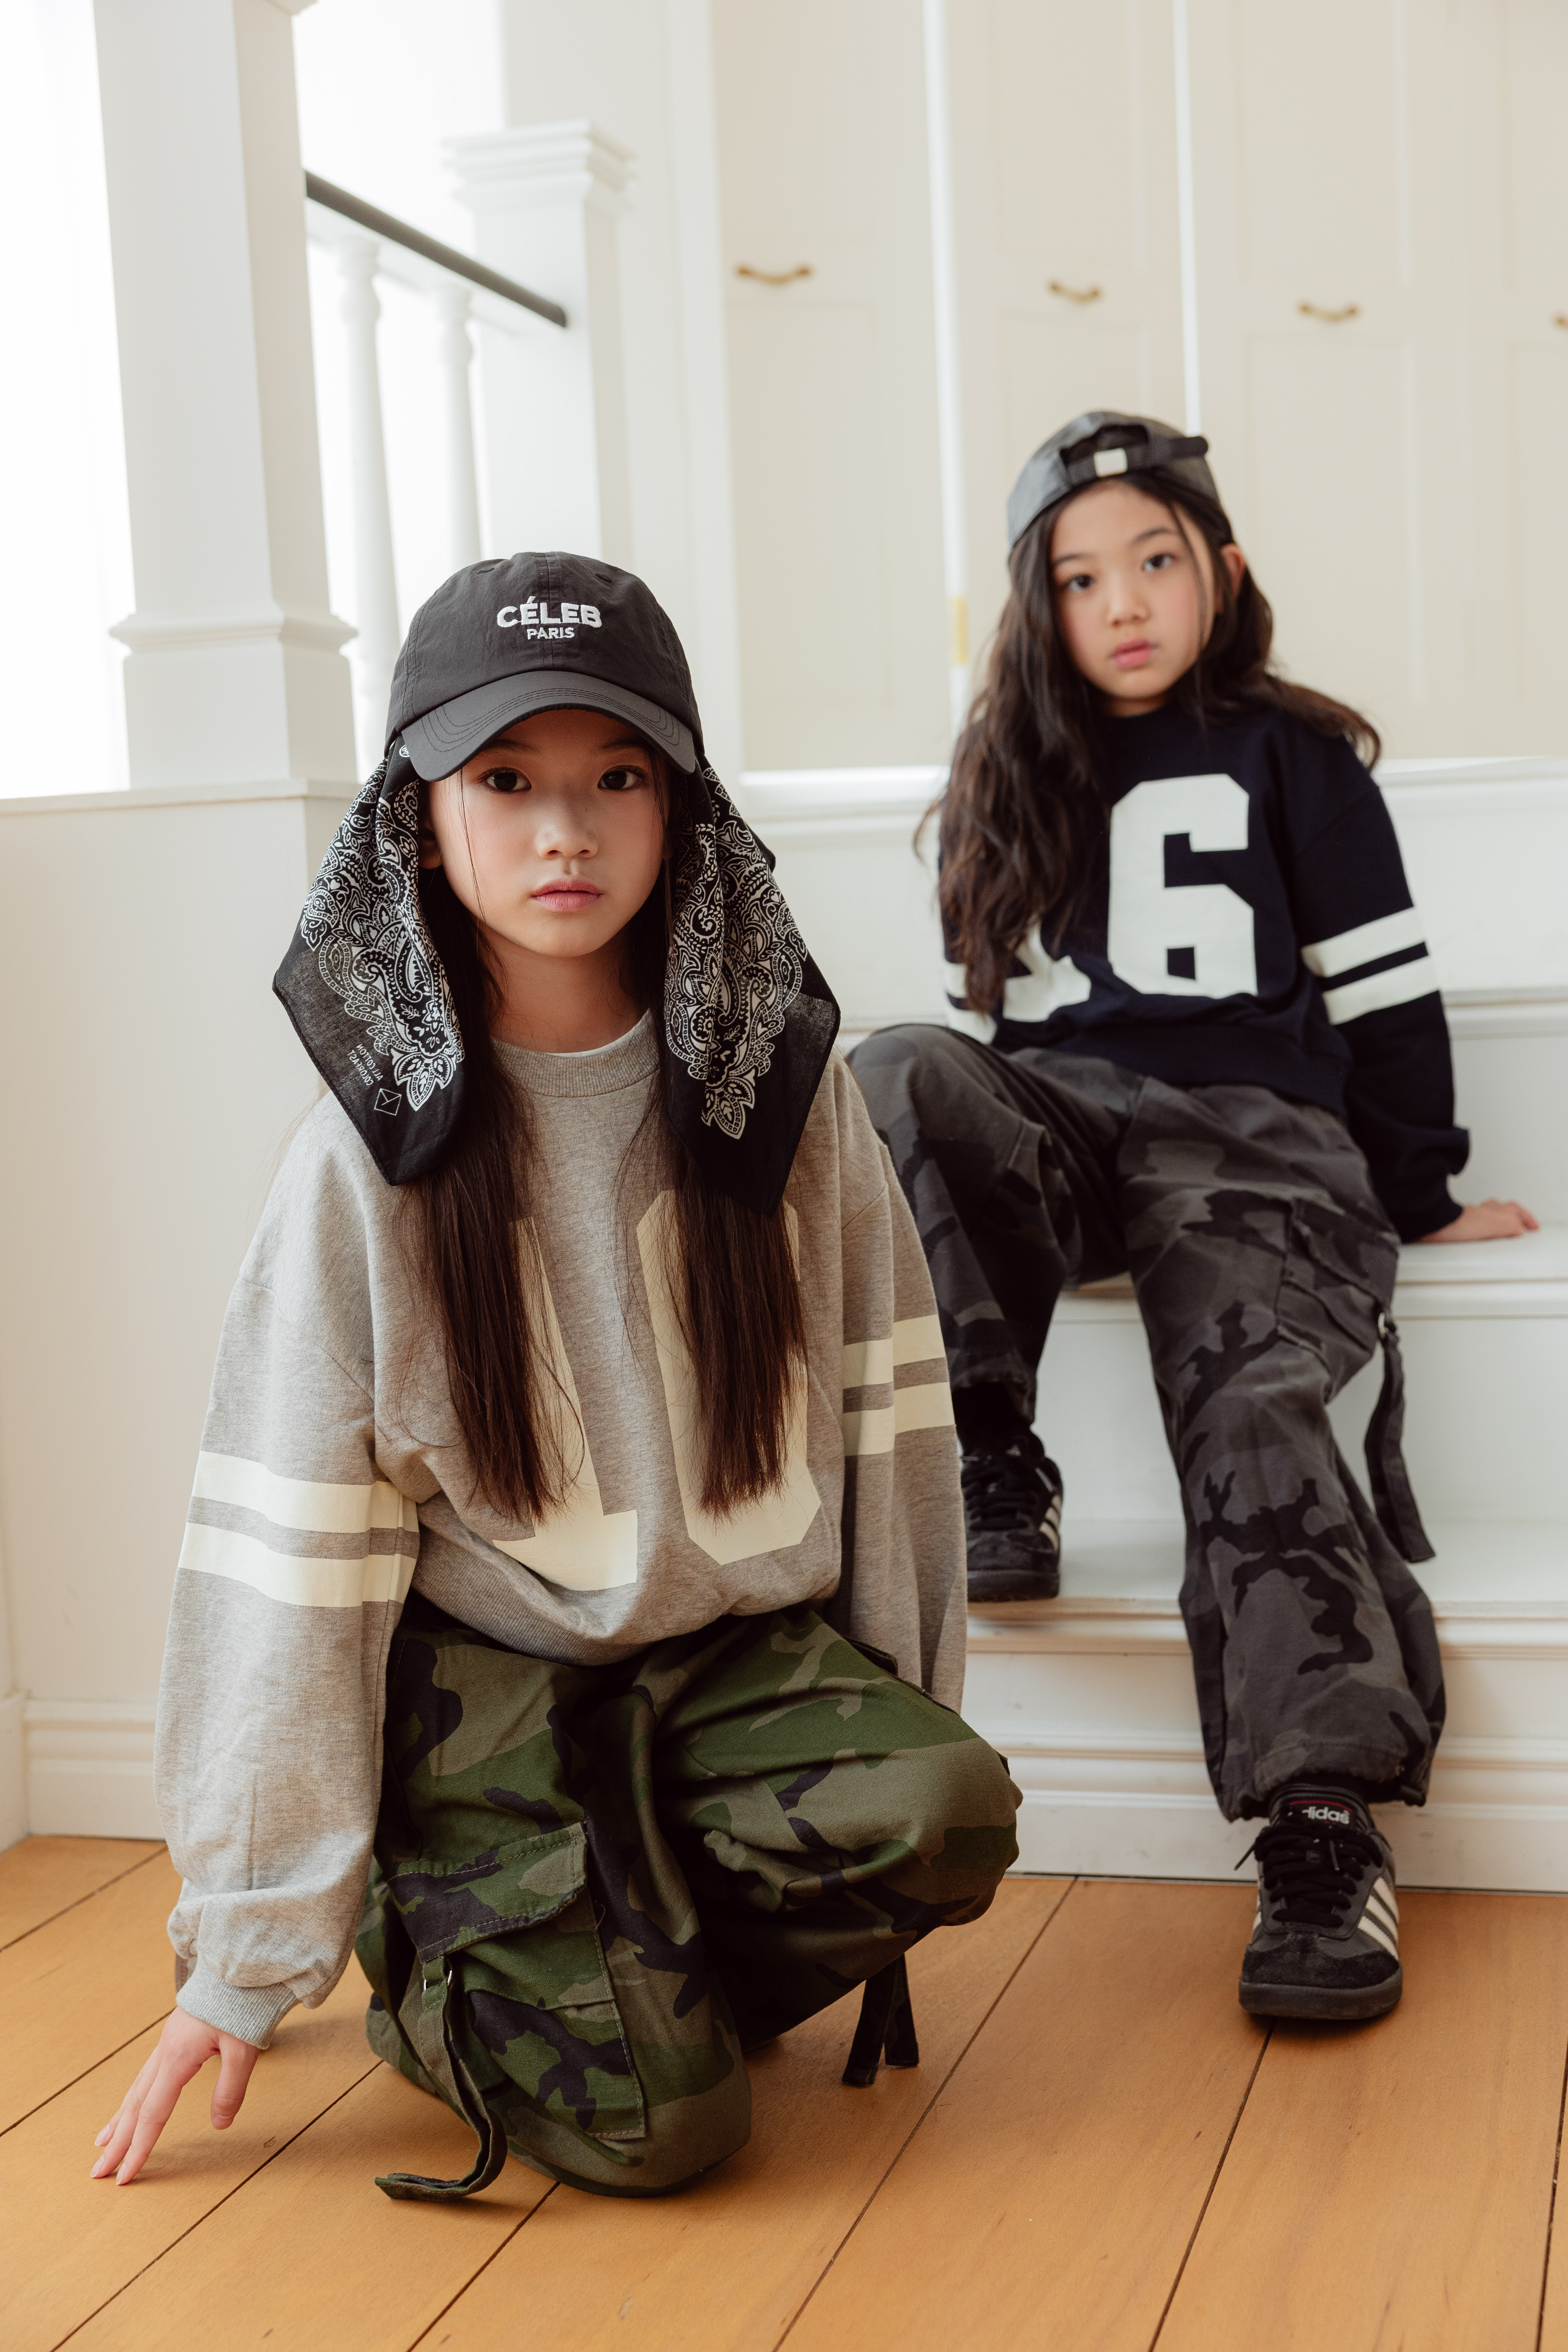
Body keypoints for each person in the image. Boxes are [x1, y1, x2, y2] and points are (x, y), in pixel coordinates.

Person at [91, 554, 1019, 2198]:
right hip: (486, 1695)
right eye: (506, 781)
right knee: (668, 2136)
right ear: (419, 821)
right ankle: (443, 1942)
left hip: (721, 1664)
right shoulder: (358, 1168)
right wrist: (244, 1949)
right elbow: (287, 1566)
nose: (565, 832)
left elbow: (892, 1438)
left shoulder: (788, 1103)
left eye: (618, 779)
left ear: (682, 811)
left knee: (949, 1806)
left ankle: (614, 1941)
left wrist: (897, 1709)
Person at [849, 412, 1536, 2025]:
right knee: (894, 1069)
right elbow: (994, 1044)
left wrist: (1419, 1189)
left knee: (1247, 1396)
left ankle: (1322, 1818)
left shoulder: (1296, 757)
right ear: (1040, 607)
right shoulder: (1009, 777)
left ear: (1221, 569)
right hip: (1075, 1124)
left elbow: (1384, 995)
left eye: (1155, 561)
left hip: (1258, 1140)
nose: (1126, 603)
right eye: (1082, 578)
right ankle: (992, 1454)